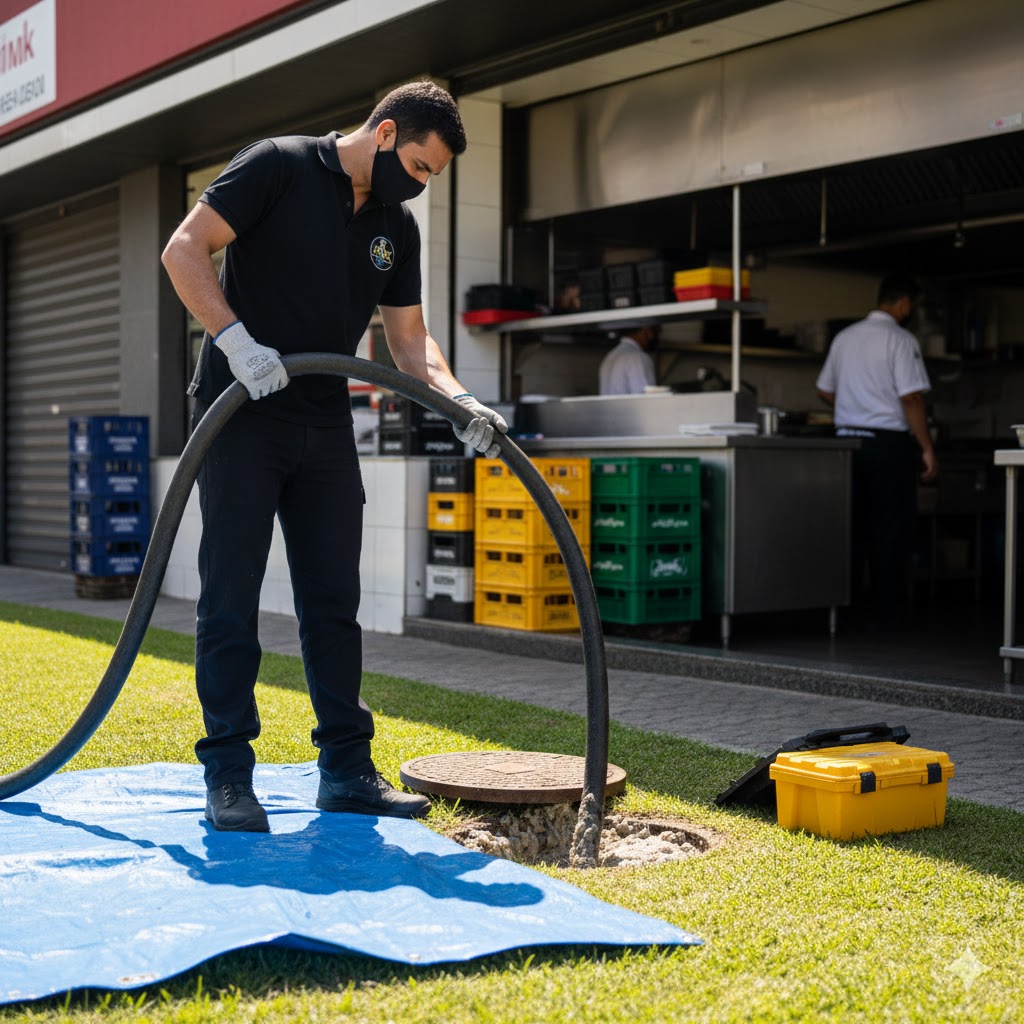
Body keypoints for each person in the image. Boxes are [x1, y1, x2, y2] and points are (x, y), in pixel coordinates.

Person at [160, 81, 507, 833]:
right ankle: (228, 776)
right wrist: (237, 343)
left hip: (321, 420)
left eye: (431, 177)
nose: (419, 185)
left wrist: (461, 401)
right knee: (230, 598)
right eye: (418, 166)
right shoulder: (277, 166)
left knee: (332, 603)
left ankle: (346, 771)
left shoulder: (395, 228)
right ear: (384, 134)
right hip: (240, 414)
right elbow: (183, 249)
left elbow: (411, 345)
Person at [815, 274, 938, 624]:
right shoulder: (900, 339)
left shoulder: (845, 337)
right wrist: (927, 447)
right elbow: (911, 397)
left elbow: (824, 389)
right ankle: (886, 610)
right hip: (886, 445)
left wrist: (854, 404)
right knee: (888, 527)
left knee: (852, 524)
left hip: (847, 443)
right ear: (903, 303)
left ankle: (848, 604)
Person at [598, 324, 659, 395]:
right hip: (629, 406)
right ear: (644, 330)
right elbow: (646, 397)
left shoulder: (609, 356)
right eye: (651, 332)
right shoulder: (639, 357)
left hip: (608, 406)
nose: (651, 337)